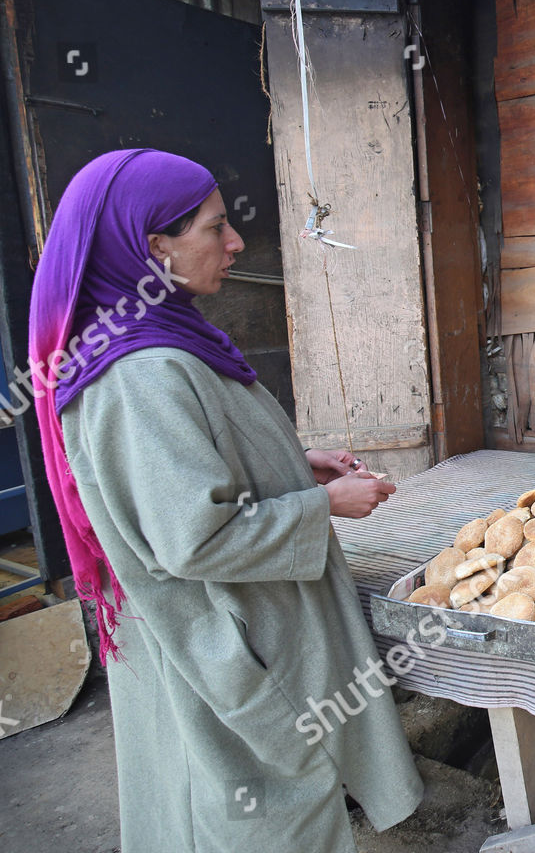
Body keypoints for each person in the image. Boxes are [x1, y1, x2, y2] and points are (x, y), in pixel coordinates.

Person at [28, 149, 422, 852]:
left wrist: (295, 464)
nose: (236, 243)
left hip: (235, 625)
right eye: (215, 228)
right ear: (154, 248)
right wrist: (324, 505)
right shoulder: (139, 375)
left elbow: (180, 469)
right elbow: (193, 537)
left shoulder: (161, 340)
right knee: (261, 806)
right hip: (215, 635)